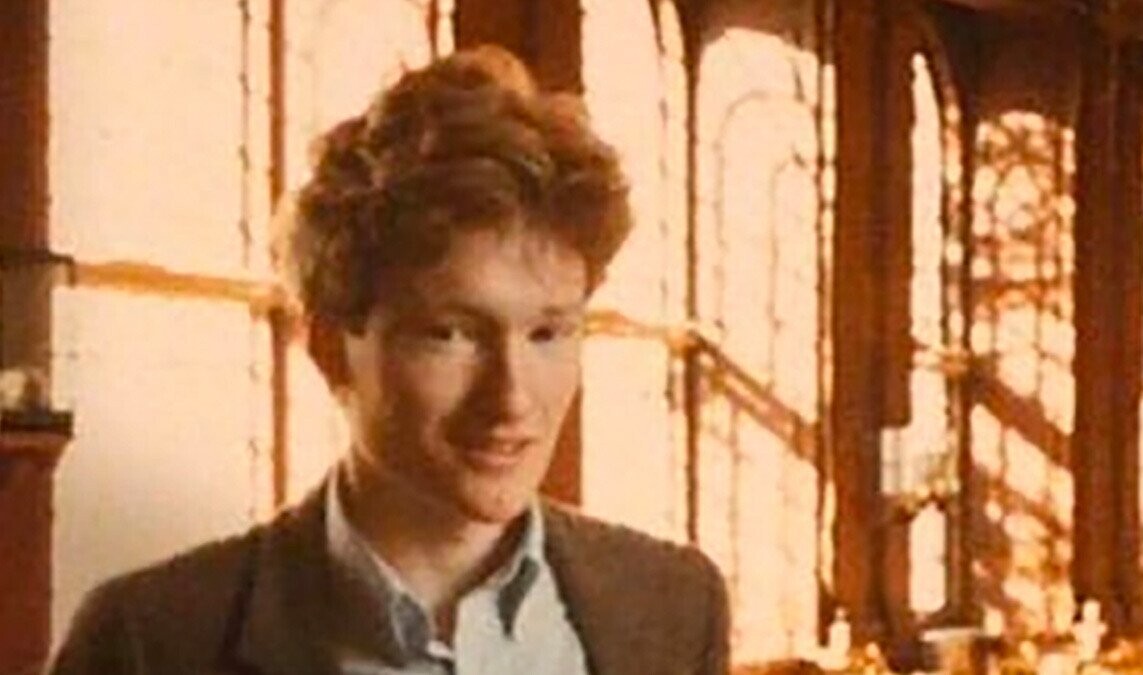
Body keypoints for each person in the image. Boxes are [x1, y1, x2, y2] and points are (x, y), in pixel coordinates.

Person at [50, 45, 730, 675]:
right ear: (330, 348)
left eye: (547, 334)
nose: (512, 399)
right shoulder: (148, 641)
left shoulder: (673, 606)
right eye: (451, 334)